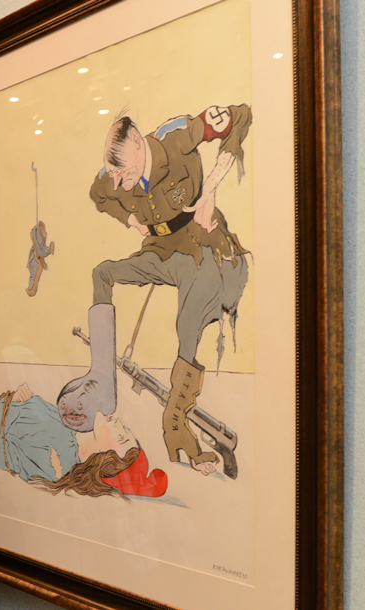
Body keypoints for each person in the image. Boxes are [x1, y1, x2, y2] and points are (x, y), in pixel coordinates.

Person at [70, 105, 252, 469]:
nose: (118, 182)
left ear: (138, 144)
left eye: (124, 172)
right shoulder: (113, 176)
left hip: (200, 243)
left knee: (187, 322)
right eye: (114, 174)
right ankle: (102, 378)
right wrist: (130, 219)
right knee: (102, 273)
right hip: (159, 250)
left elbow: (241, 116)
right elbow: (98, 194)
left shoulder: (177, 137)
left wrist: (210, 190)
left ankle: (175, 424)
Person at [0, 383, 169, 499]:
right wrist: (15, 400)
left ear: (109, 460)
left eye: (121, 437)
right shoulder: (69, 432)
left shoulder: (58, 464)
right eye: (125, 428)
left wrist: (10, 405)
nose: (117, 421)